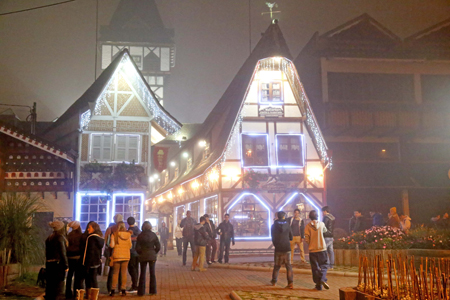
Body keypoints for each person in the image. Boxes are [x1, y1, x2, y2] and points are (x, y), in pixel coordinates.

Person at [305, 210, 329, 291]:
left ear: (309, 217)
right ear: (317, 216)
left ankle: (318, 285)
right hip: (322, 248)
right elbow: (325, 231)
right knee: (324, 265)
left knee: (315, 267)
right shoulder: (322, 224)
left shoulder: (307, 226)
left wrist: (310, 243)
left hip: (312, 250)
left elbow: (306, 238)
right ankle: (322, 279)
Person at [45, 221, 68, 300]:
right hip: (58, 264)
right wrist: (66, 265)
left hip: (49, 263)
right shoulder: (60, 237)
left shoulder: (50, 237)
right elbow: (63, 252)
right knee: (58, 285)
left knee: (50, 284)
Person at [270, 211, 294, 289]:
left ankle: (274, 281)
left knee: (277, 266)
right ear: (284, 216)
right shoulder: (287, 225)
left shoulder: (273, 226)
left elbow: (273, 237)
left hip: (278, 247)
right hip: (287, 247)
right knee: (288, 266)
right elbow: (291, 237)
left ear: (277, 217)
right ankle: (290, 283)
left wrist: (276, 244)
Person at [136, 221, 160, 296]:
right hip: (151, 254)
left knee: (142, 273)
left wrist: (140, 252)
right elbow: (158, 246)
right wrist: (154, 252)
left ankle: (141, 291)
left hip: (143, 254)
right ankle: (153, 290)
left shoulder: (140, 235)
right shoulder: (153, 235)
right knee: (152, 273)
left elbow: (137, 247)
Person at [82, 221, 104, 300]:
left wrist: (86, 264)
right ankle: (95, 296)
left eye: (89, 227)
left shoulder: (90, 238)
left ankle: (89, 296)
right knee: (94, 279)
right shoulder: (100, 238)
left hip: (90, 262)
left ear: (94, 228)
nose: (88, 229)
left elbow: (89, 251)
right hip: (96, 262)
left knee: (88, 279)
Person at [110, 221, 132, 296]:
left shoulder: (115, 234)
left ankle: (113, 290)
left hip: (117, 256)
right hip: (126, 256)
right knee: (124, 273)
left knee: (115, 273)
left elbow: (112, 245)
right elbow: (130, 246)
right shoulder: (128, 235)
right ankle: (123, 289)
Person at [105, 214, 123, 294]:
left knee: (112, 271)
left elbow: (107, 242)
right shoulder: (124, 230)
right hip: (122, 252)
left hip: (112, 252)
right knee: (121, 271)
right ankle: (120, 288)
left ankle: (110, 288)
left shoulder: (110, 229)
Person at [66, 220, 82, 299]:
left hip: (69, 257)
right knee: (77, 276)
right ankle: (76, 292)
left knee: (69, 275)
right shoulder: (81, 235)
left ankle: (68, 292)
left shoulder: (69, 235)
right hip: (78, 257)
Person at [127, 217, 141, 292]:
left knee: (131, 269)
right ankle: (136, 284)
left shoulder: (128, 231)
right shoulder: (139, 231)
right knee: (136, 268)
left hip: (131, 252)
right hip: (138, 253)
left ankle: (134, 285)